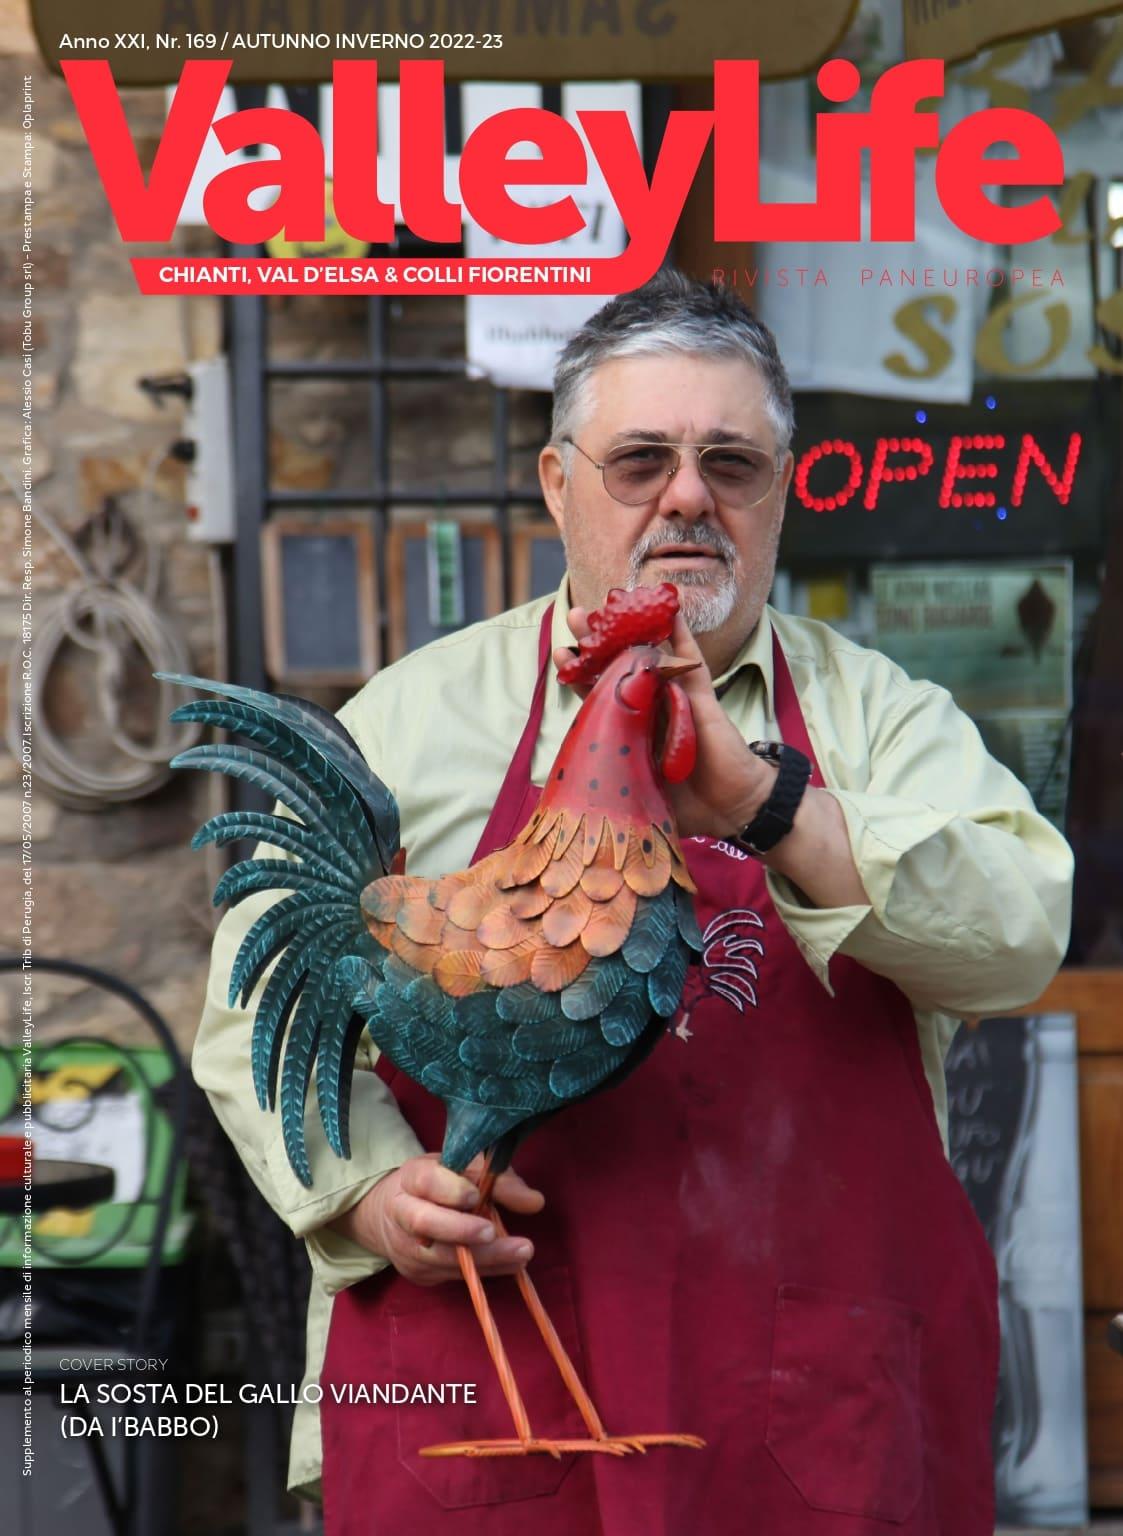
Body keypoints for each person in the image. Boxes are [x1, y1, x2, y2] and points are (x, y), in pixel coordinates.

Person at [193, 271, 1073, 1535]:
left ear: (782, 485)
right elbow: (252, 1001)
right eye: (640, 459)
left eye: (731, 461)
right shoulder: (417, 717)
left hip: (806, 1409)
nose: (687, 497)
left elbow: (1019, 941)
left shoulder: (883, 721)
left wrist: (776, 813)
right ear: (559, 485)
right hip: (489, 1375)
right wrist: (372, 1190)